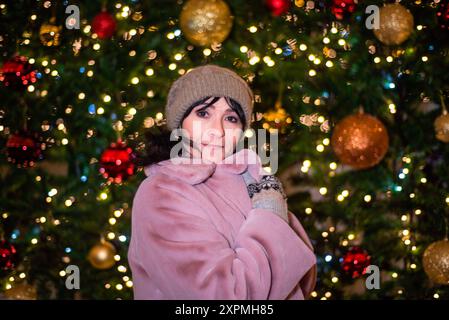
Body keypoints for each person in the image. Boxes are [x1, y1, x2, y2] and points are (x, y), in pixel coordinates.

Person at [128, 64, 317, 300]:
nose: (217, 131)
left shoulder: (249, 178)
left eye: (230, 118)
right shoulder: (160, 193)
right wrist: (270, 216)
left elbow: (303, 280)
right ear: (180, 122)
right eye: (203, 113)